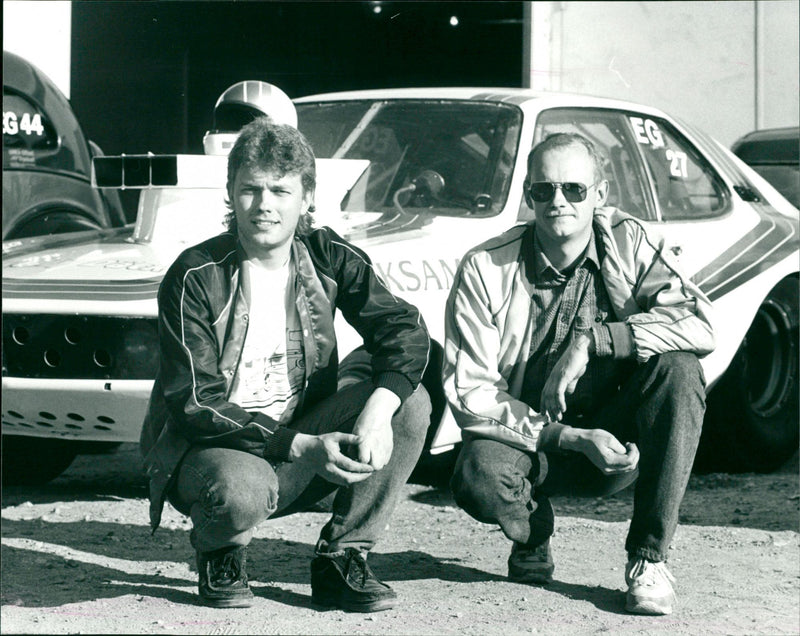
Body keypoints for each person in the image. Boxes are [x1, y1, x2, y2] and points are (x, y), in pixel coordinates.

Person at [140, 116, 431, 612]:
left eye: (280, 190)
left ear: (307, 197)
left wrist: (379, 408)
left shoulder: (327, 256)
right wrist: (299, 444)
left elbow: (404, 329)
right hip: (214, 450)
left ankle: (344, 555)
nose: (265, 205)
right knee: (242, 491)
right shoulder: (195, 275)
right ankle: (221, 551)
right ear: (230, 194)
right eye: (250, 189)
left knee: (409, 403)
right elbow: (195, 403)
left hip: (302, 441)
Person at [442, 132, 714, 616]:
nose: (558, 202)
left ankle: (648, 557)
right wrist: (569, 436)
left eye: (574, 189)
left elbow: (699, 326)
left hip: (620, 439)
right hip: (535, 442)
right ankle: (534, 532)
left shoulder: (631, 243)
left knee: (680, 369)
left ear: (601, 196)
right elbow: (470, 391)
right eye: (542, 191)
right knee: (479, 475)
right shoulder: (485, 266)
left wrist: (597, 340)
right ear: (528, 195)